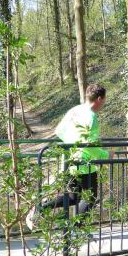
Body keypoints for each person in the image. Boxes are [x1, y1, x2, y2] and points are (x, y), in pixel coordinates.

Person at [26, 84, 109, 230]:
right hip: (84, 164)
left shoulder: (74, 110)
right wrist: (106, 155)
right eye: (104, 100)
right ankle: (74, 230)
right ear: (99, 99)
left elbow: (59, 130)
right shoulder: (91, 117)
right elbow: (90, 145)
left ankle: (40, 208)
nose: (104, 103)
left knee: (72, 198)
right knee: (90, 198)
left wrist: (72, 145)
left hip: (69, 161)